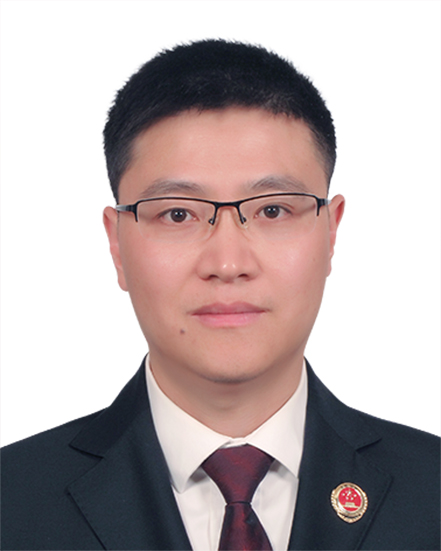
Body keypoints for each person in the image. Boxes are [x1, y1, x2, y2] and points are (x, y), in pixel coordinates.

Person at [1, 39, 439, 551]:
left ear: (330, 232)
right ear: (117, 244)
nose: (228, 264)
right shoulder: (13, 502)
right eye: (178, 214)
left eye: (273, 210)